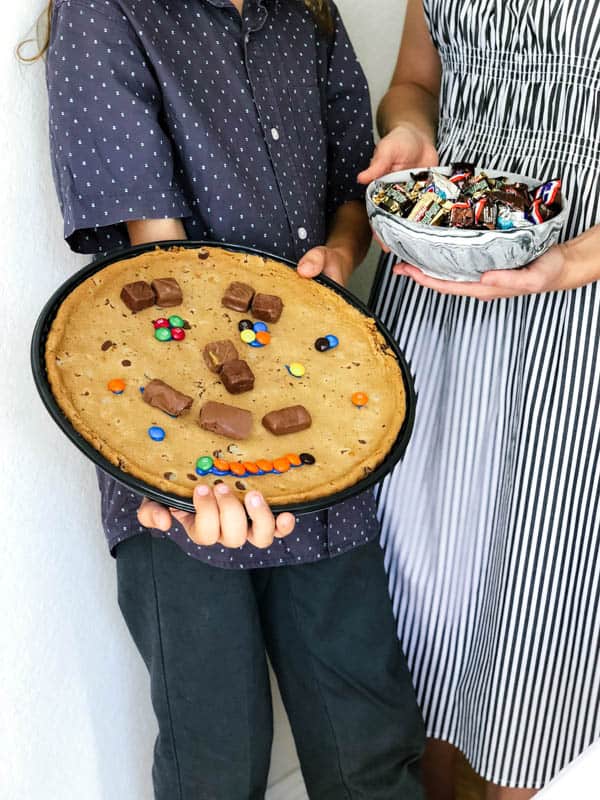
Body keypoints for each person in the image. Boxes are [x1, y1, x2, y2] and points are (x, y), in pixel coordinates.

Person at [36, 0, 426, 797]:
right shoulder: (104, 11)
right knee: (215, 759)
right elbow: (160, 274)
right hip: (178, 467)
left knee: (373, 749)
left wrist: (339, 252)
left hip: (323, 449)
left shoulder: (308, 14)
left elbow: (357, 188)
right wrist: (209, 469)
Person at [357, 1, 600, 799]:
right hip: (438, 266)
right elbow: (414, 83)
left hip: (576, 293)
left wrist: (566, 265)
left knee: (537, 585)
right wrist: (409, 134)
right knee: (418, 567)